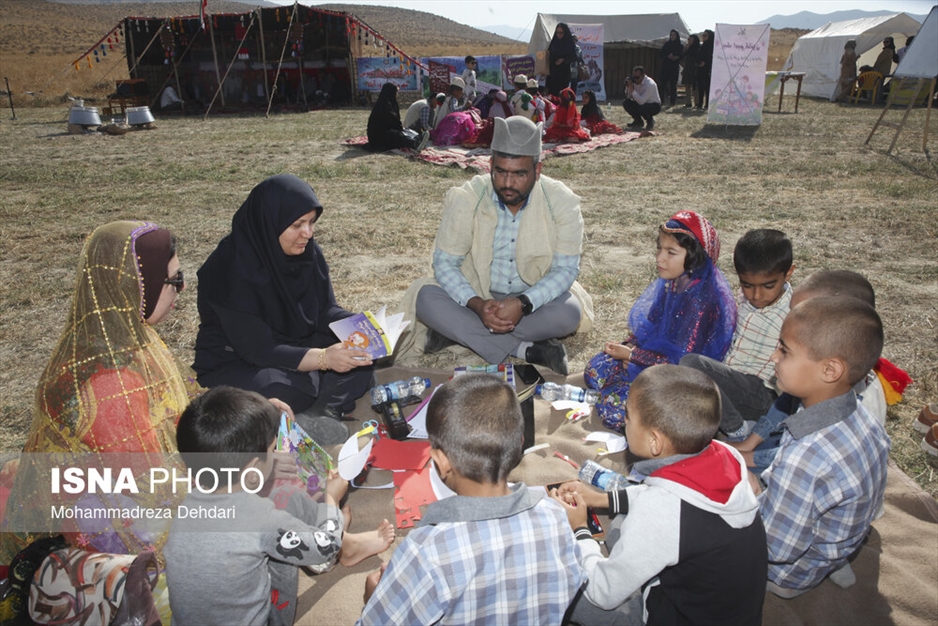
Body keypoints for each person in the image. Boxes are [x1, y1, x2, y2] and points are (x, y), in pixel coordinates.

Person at [358, 374, 585, 624]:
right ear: (519, 443)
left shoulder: (426, 550)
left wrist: (373, 598)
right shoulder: (555, 517)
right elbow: (571, 584)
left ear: (442, 461)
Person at [551, 364, 767, 625]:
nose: (623, 420)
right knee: (622, 522)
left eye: (628, 416)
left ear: (655, 441)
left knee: (559, 590)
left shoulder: (661, 511)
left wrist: (580, 529)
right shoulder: (726, 455)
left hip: (677, 616)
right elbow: (667, 495)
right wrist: (601, 499)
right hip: (728, 607)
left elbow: (602, 592)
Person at [403, 116, 594, 375]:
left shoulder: (561, 201)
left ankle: (456, 335)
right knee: (425, 298)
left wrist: (523, 303)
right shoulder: (468, 196)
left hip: (532, 302)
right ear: (490, 165)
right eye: (501, 172)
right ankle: (526, 350)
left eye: (519, 174)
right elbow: (445, 262)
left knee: (568, 313)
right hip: (476, 295)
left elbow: (565, 270)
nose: (507, 183)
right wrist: (477, 305)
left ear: (537, 171)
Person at [193, 175, 376, 445]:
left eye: (312, 222)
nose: (308, 233)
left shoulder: (307, 253)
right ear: (269, 223)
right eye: (297, 225)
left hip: (296, 342)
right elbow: (259, 349)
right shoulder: (229, 268)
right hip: (240, 360)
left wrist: (361, 326)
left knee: (360, 360)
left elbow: (324, 312)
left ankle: (318, 414)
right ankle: (312, 409)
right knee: (280, 388)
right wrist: (324, 359)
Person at [165, 386, 345, 626]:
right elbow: (328, 546)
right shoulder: (260, 519)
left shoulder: (188, 505)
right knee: (285, 523)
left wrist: (259, 415)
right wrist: (331, 500)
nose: (276, 454)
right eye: (272, 450)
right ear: (252, 469)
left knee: (281, 502)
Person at [753, 296, 889, 598]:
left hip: (787, 568)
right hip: (838, 540)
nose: (774, 357)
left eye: (784, 350)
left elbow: (776, 546)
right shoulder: (861, 414)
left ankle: (782, 584)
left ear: (830, 370)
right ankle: (830, 555)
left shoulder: (805, 457)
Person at [585, 210, 736, 431]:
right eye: (659, 248)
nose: (659, 258)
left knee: (616, 409)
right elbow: (652, 325)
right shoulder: (673, 283)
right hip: (652, 362)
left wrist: (634, 356)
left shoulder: (702, 299)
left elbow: (683, 363)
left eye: (671, 252)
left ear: (694, 257)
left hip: (682, 384)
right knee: (595, 368)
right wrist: (629, 345)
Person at [728, 270, 888, 473]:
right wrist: (750, 443)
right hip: (783, 448)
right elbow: (785, 403)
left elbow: (801, 460)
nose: (792, 320)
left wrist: (747, 459)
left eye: (804, 313)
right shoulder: (810, 376)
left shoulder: (862, 404)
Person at [680, 229, 794, 440]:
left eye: (768, 286)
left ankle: (736, 429)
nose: (757, 295)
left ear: (788, 274)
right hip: (731, 386)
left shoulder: (793, 314)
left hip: (763, 393)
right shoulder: (742, 299)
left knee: (691, 363)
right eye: (747, 285)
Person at [365, 83, 428, 152]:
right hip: (378, 137)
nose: (397, 94)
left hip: (385, 131)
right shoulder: (384, 106)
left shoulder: (389, 103)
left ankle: (417, 139)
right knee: (396, 135)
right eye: (396, 92)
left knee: (405, 131)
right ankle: (414, 143)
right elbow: (394, 123)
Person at [622, 66, 661, 130]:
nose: (635, 80)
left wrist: (632, 89)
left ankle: (650, 121)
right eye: (634, 77)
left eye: (637, 77)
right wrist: (628, 87)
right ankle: (638, 121)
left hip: (653, 105)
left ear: (643, 76)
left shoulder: (650, 84)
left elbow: (641, 101)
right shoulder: (634, 82)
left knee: (642, 107)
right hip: (640, 103)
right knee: (626, 103)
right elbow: (628, 97)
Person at [547, 23, 576, 96]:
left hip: (564, 73)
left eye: (561, 33)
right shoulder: (554, 42)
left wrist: (563, 60)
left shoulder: (569, 43)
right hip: (553, 73)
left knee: (562, 95)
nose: (559, 35)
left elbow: (573, 57)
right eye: (557, 32)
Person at [659, 29, 684, 107]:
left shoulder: (680, 45)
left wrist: (677, 57)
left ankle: (672, 102)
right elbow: (661, 55)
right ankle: (661, 101)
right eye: (671, 35)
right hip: (666, 67)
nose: (673, 36)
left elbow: (682, 55)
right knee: (663, 85)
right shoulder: (667, 44)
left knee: (673, 86)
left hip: (674, 67)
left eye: (674, 35)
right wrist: (667, 56)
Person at [696, 30, 714, 110]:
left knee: (707, 88)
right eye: (703, 35)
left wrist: (705, 62)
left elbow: (711, 58)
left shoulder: (712, 47)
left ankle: (707, 104)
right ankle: (700, 103)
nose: (703, 37)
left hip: (708, 69)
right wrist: (699, 62)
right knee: (700, 87)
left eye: (705, 35)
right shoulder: (702, 46)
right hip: (701, 69)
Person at [682, 34, 700, 108]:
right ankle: (688, 102)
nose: (689, 41)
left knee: (695, 87)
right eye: (688, 39)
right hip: (687, 68)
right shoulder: (687, 48)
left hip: (695, 69)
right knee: (687, 85)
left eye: (690, 39)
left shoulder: (698, 48)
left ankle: (697, 102)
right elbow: (682, 56)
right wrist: (686, 49)